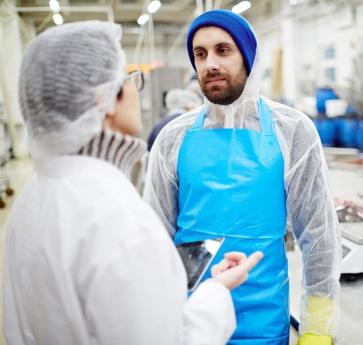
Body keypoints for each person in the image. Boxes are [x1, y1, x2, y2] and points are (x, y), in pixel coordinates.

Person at [4, 21, 263, 345]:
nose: (134, 89)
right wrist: (216, 292)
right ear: (107, 99)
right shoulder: (120, 221)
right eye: (129, 78)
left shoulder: (32, 199)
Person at [144, 9, 340, 345]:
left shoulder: (292, 131)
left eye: (223, 50)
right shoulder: (173, 138)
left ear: (247, 58)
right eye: (200, 54)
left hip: (264, 323)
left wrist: (317, 330)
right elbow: (154, 240)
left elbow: (319, 237)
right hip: (188, 323)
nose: (210, 64)